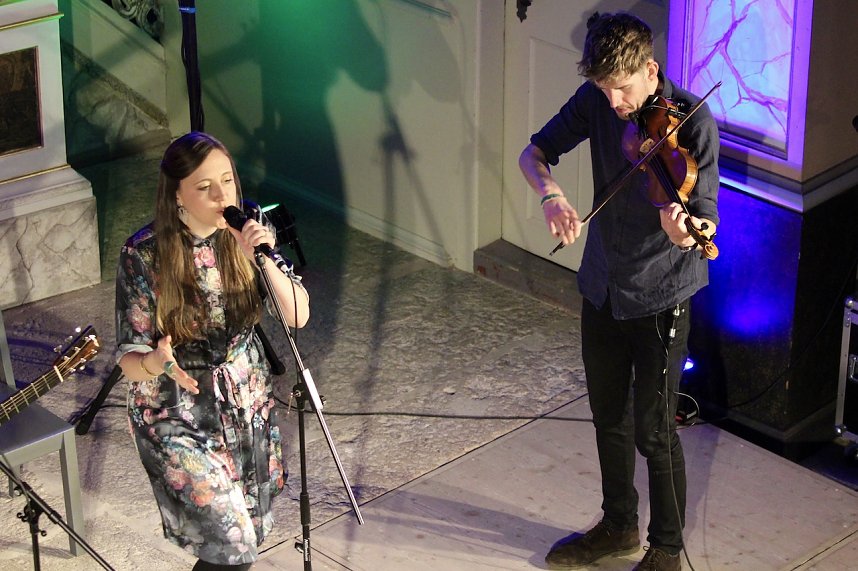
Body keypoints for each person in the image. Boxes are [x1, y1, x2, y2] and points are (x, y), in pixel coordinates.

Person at [519, 12, 719, 571]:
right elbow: (532, 154)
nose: (613, 102)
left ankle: (668, 550)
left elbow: (703, 218)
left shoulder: (694, 125)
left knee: (655, 432)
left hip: (661, 293)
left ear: (650, 69)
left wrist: (681, 230)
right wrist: (551, 195)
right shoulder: (595, 100)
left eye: (622, 88)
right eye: (604, 89)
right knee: (609, 416)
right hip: (603, 284)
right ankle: (618, 526)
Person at [115, 132, 310, 570]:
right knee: (233, 542)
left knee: (245, 539)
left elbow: (297, 315)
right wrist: (155, 361)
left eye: (228, 181)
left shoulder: (250, 228)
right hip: (176, 408)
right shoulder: (144, 253)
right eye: (205, 187)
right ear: (177, 195)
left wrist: (261, 255)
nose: (223, 196)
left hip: (244, 399)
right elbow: (128, 360)